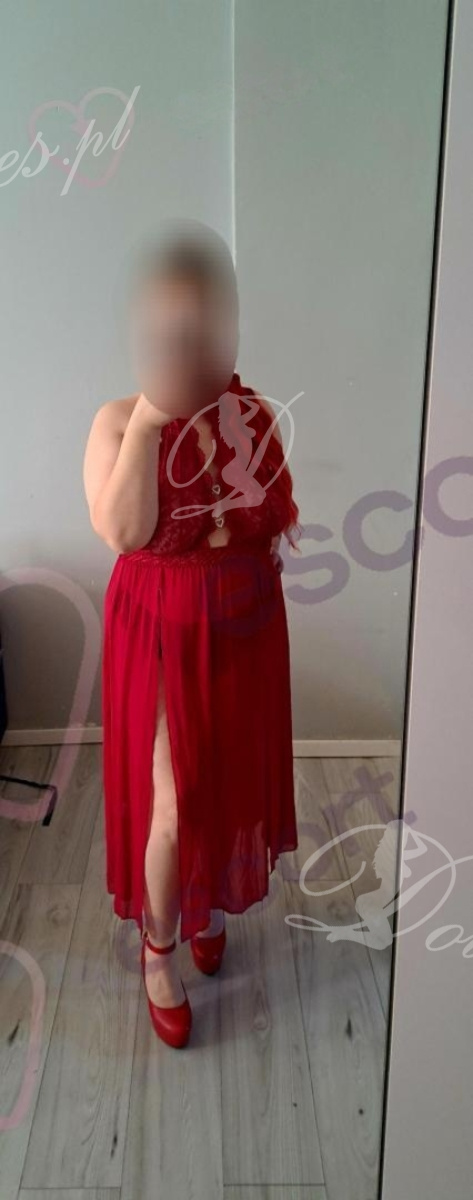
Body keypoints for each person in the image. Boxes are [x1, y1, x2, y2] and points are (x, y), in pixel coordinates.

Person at [83, 220, 302, 1049]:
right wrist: (149, 426)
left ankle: (204, 903)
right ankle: (159, 945)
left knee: (227, 780)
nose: (187, 341)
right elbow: (123, 531)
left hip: (244, 627)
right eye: (170, 327)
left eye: (201, 322)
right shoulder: (115, 421)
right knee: (173, 801)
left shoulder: (250, 411)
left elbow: (273, 516)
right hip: (162, 633)